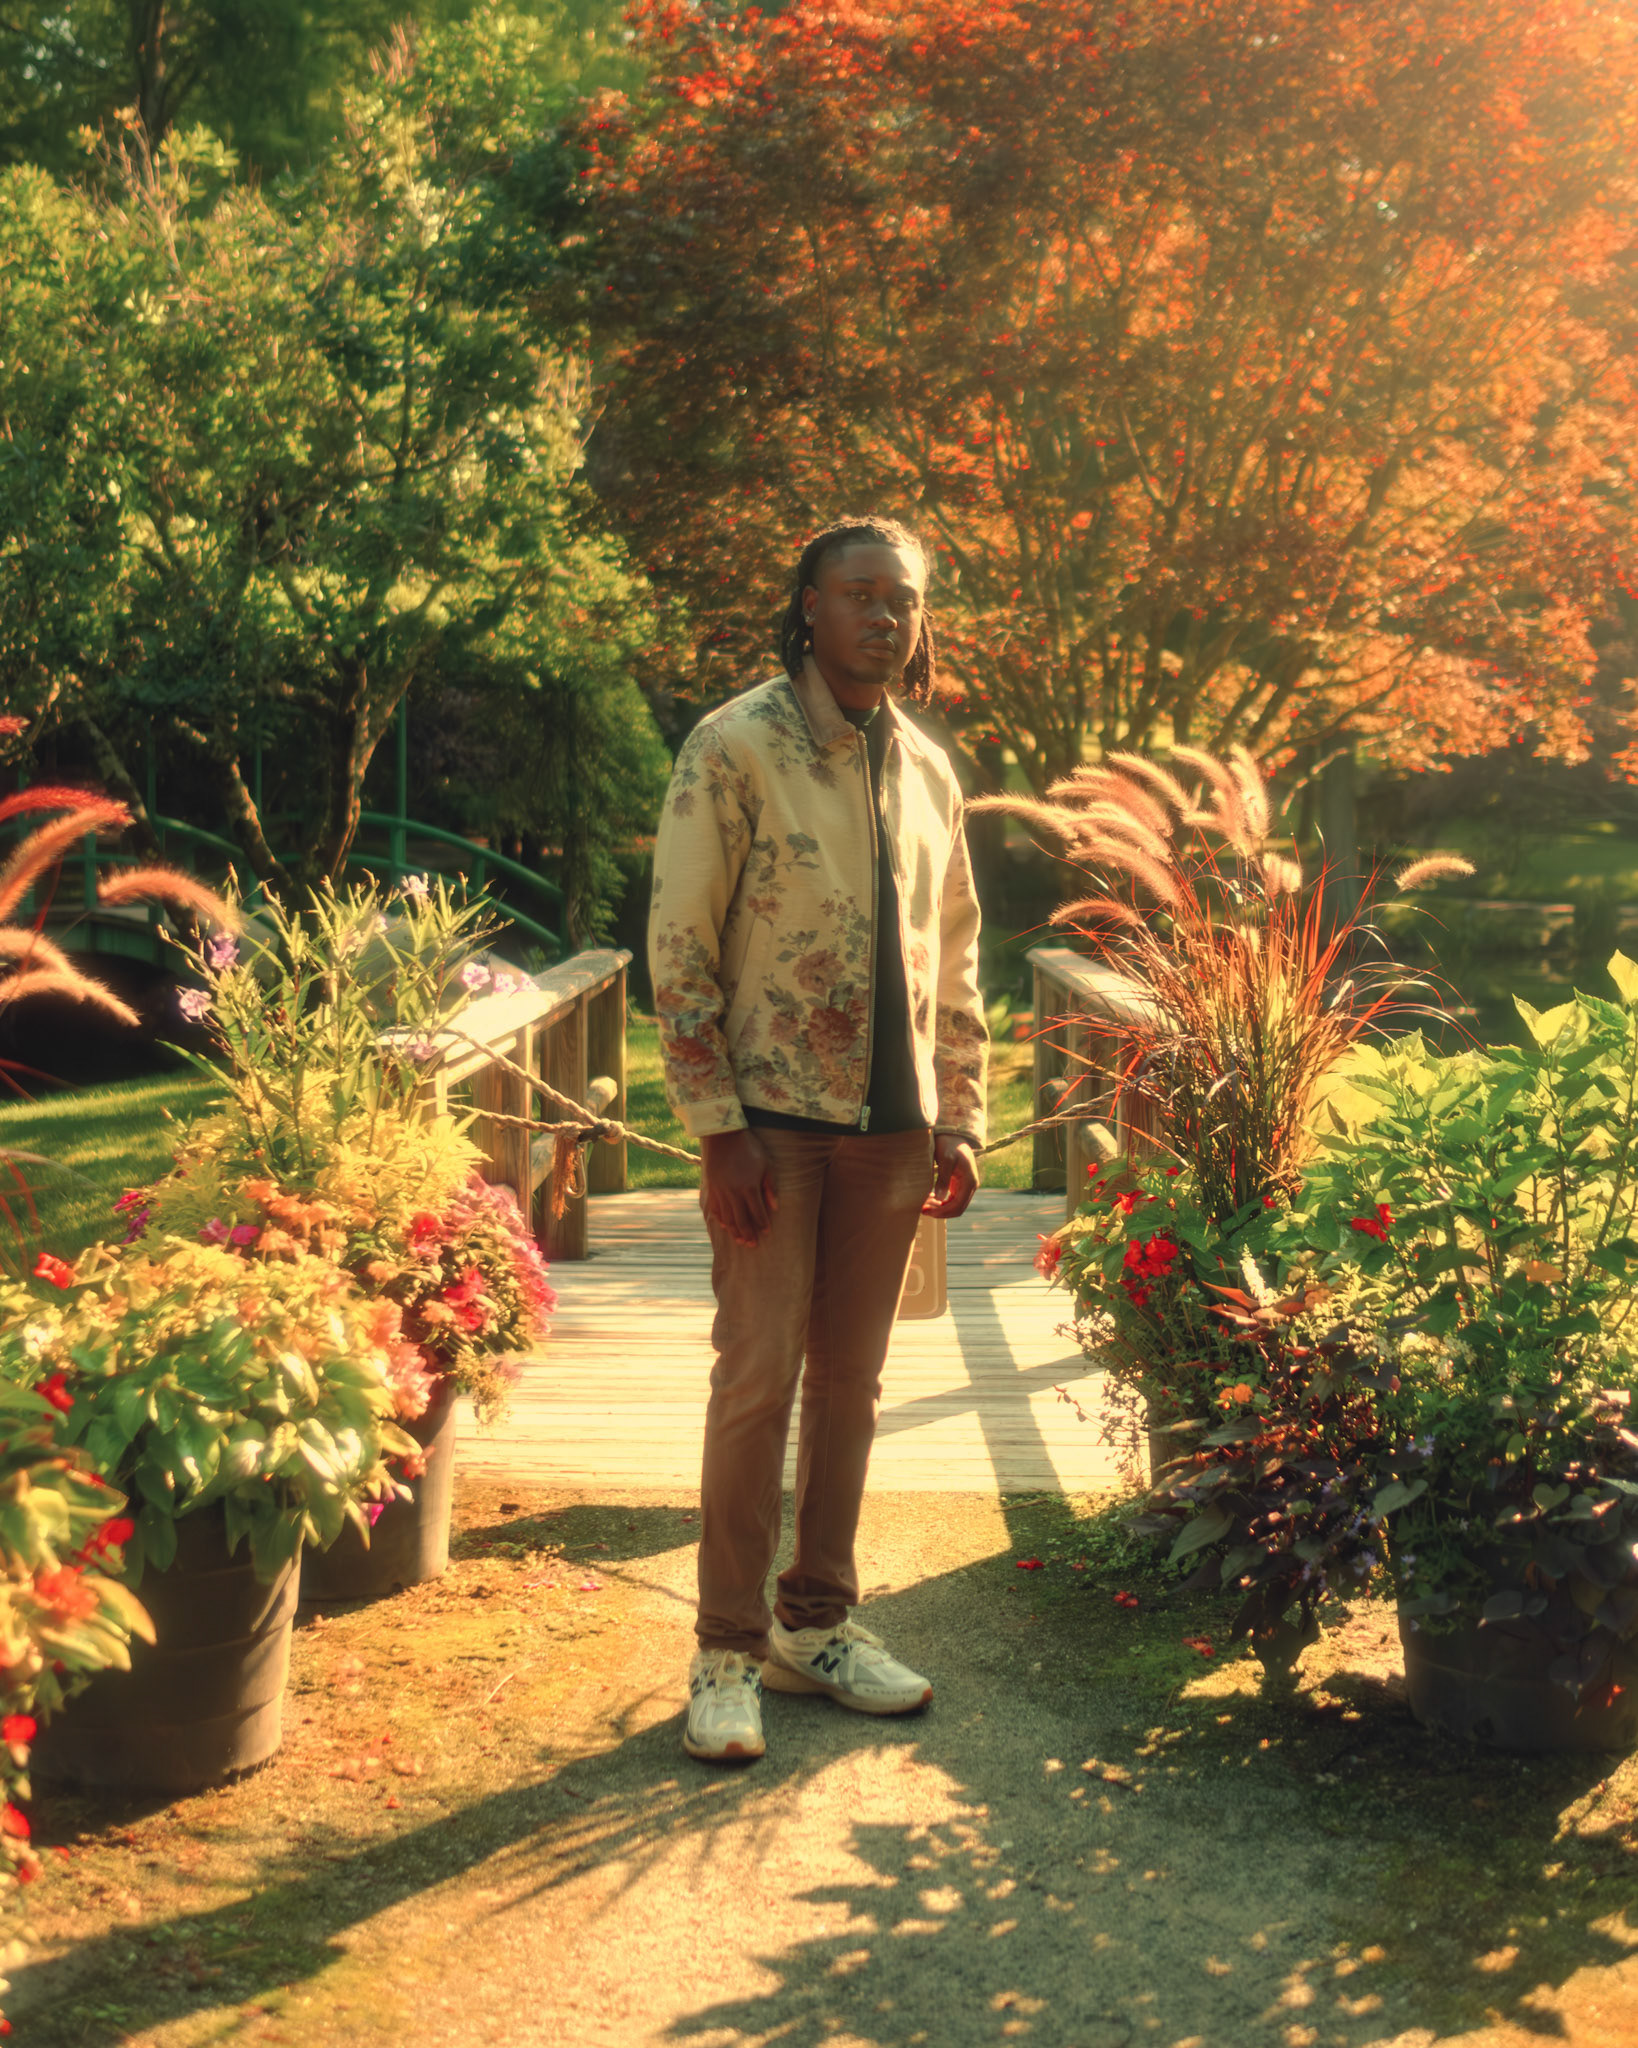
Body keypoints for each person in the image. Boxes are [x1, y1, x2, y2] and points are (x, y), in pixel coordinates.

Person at [649, 515, 988, 1763]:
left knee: (854, 1385)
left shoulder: (930, 768)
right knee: (756, 1382)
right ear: (809, 604)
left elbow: (957, 950)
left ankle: (817, 1622)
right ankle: (725, 1650)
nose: (884, 616)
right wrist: (716, 1126)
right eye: (858, 593)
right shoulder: (735, 744)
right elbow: (680, 943)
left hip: (892, 1136)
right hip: (772, 1129)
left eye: (903, 598)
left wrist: (960, 1113)